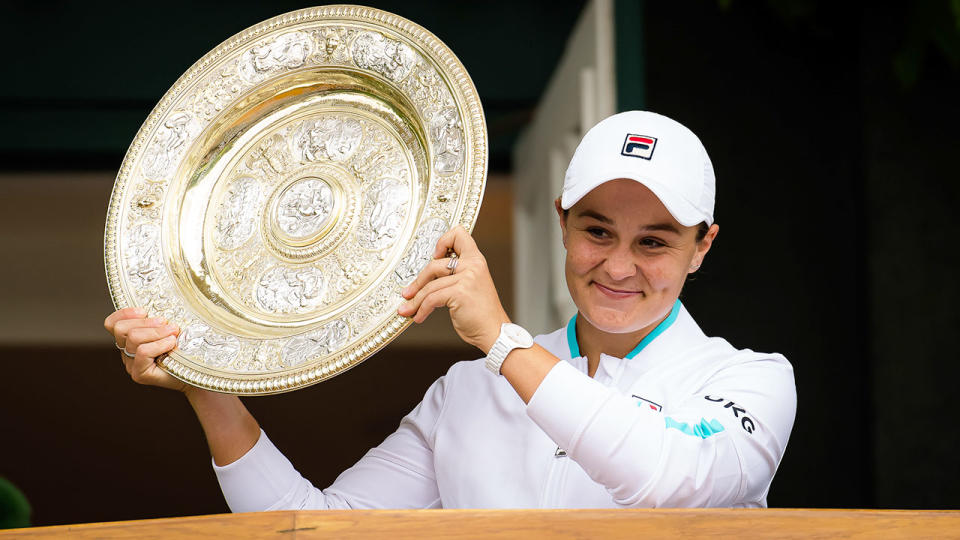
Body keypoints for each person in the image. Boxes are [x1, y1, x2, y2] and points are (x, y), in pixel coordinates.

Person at [105, 110, 796, 509]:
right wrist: (209, 388)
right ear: (561, 222)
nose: (618, 266)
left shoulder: (750, 380)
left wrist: (500, 339)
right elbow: (313, 528)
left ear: (702, 247)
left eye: (654, 241)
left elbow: (671, 481)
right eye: (596, 231)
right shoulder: (468, 393)